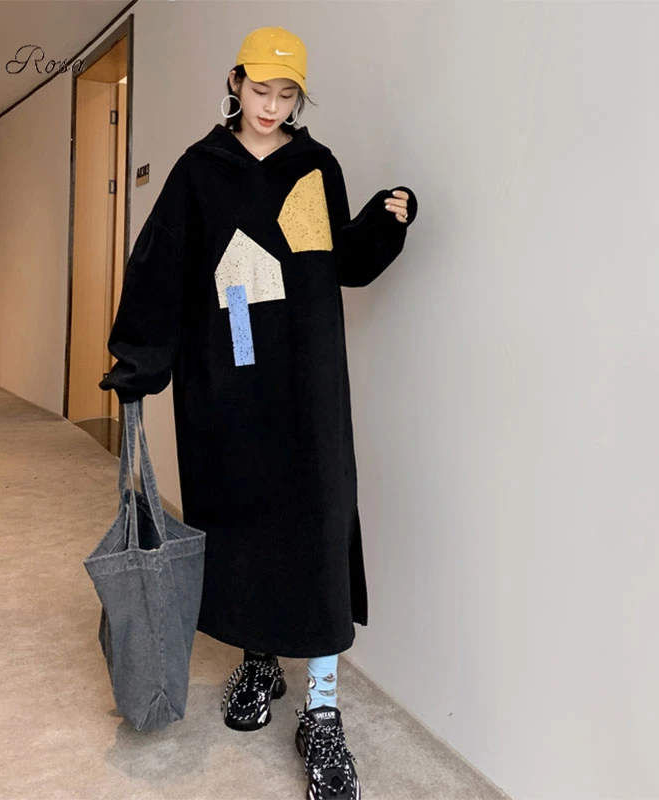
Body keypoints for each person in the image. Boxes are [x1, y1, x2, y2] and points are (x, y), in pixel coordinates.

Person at [100, 25, 417, 800]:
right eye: (259, 89)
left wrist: (386, 222)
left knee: (316, 528)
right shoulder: (200, 171)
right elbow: (161, 268)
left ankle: (322, 710)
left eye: (286, 93)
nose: (271, 106)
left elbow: (338, 260)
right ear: (235, 83)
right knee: (241, 524)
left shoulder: (315, 164)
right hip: (227, 388)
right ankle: (257, 661)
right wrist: (139, 365)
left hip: (308, 386)